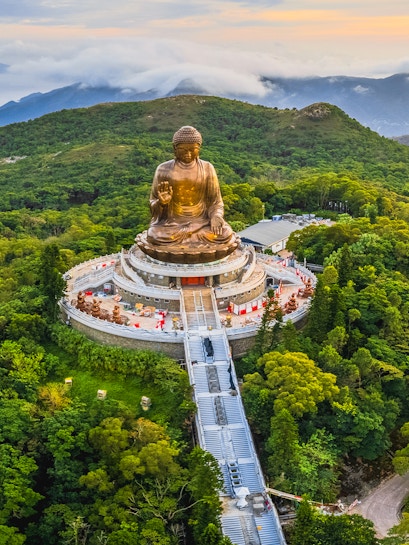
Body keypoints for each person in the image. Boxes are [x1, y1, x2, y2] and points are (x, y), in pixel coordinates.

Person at [146, 126, 235, 248]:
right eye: (183, 150)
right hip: (173, 224)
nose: (188, 154)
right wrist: (161, 203)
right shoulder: (163, 170)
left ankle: (189, 241)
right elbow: (152, 204)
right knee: (154, 235)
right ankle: (192, 242)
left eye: (193, 150)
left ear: (199, 148)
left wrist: (216, 216)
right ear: (174, 148)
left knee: (225, 233)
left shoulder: (207, 168)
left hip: (201, 222)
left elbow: (216, 202)